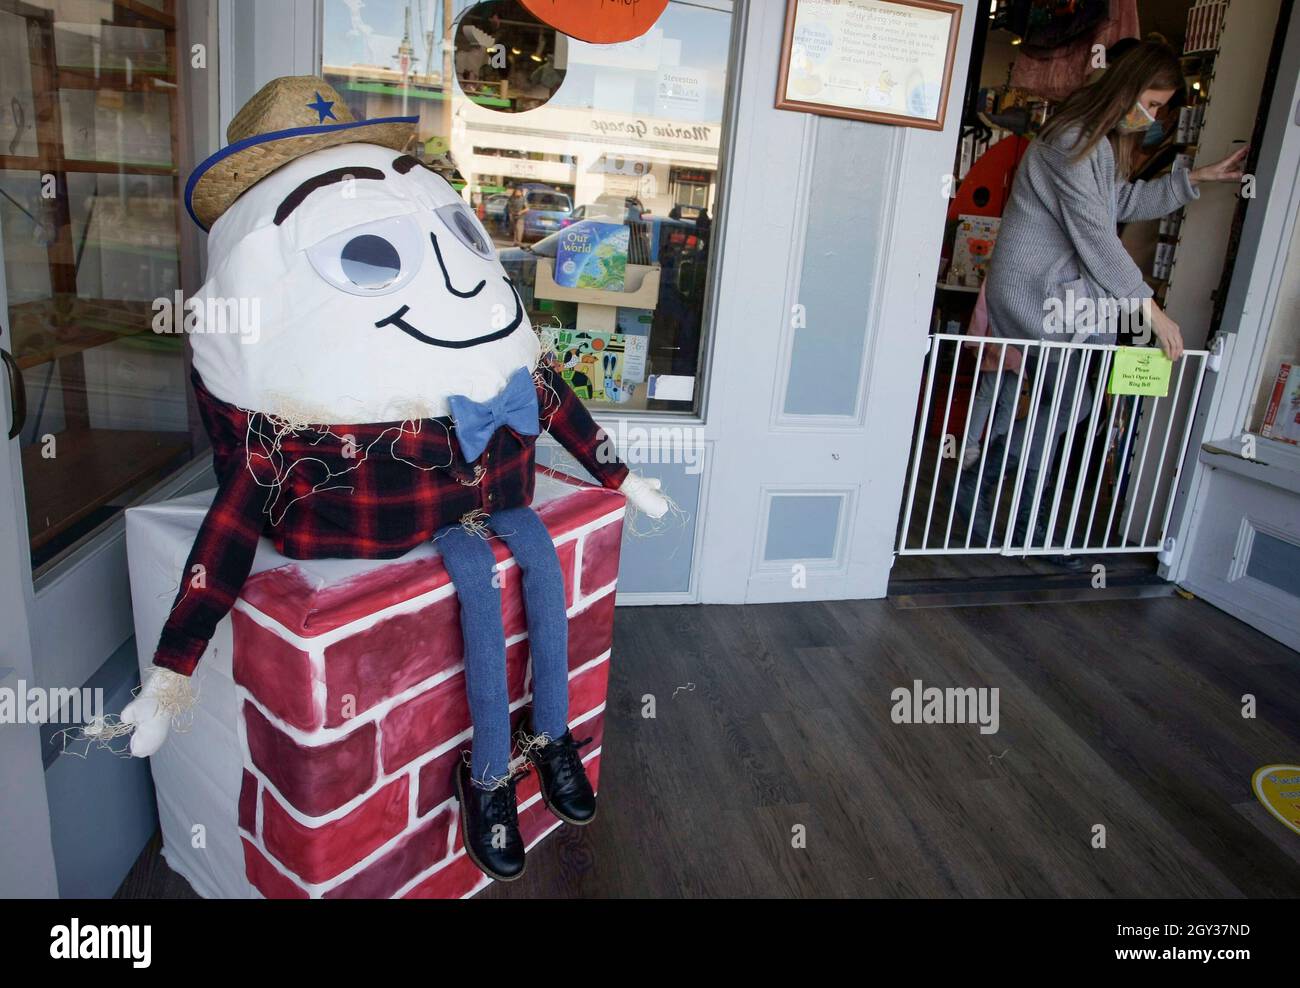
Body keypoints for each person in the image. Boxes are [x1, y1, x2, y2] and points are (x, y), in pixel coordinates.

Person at [956, 41, 1247, 552]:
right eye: (1152, 103)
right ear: (1126, 90)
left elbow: (1119, 204)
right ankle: (1021, 513)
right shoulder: (1071, 142)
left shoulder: (1099, 143)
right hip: (1036, 289)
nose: (1152, 115)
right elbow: (1096, 234)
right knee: (1070, 399)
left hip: (1056, 290)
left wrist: (1192, 178)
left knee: (1067, 399)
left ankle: (999, 494)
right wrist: (1151, 310)